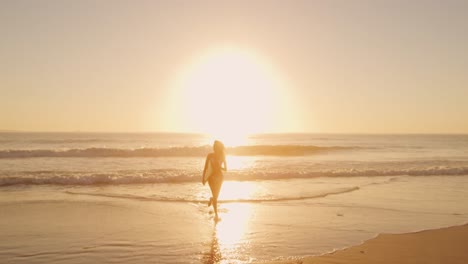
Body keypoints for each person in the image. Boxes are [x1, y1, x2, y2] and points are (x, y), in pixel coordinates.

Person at [202, 140, 227, 219]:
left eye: (216, 147)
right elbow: (205, 167)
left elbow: (225, 169)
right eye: (214, 147)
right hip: (211, 178)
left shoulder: (222, 156)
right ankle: (216, 214)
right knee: (215, 196)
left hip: (219, 178)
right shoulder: (210, 155)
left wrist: (219, 167)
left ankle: (212, 199)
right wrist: (203, 178)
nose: (214, 148)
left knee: (216, 196)